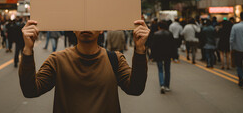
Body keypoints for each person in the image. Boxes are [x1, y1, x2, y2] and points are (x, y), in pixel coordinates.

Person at [19, 19, 149, 112]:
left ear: (101, 30)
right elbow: (30, 91)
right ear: (73, 30)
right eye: (80, 21)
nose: (86, 26)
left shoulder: (115, 59)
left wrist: (140, 49)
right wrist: (27, 50)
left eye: (92, 20)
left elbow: (135, 88)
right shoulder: (57, 60)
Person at [150, 21, 176, 94]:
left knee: (160, 70)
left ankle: (162, 85)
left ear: (159, 27)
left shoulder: (156, 34)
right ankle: (167, 86)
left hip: (159, 55)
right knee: (167, 70)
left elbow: (153, 46)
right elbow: (173, 46)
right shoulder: (169, 34)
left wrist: (152, 56)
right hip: (168, 55)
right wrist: (174, 56)